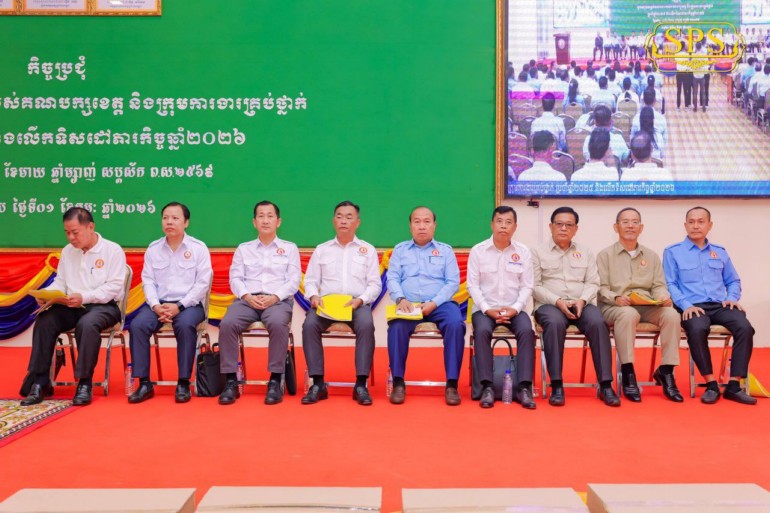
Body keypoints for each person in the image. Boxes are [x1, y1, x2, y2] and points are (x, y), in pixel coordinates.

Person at [20, 207, 126, 407]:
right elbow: (61, 282)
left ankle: (84, 383)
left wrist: (84, 296)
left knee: (87, 324)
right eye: (67, 232)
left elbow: (113, 288)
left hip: (103, 306)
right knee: (45, 319)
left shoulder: (112, 250)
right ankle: (40, 381)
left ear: (90, 227)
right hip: (71, 305)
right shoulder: (68, 251)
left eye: (75, 232)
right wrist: (47, 294)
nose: (71, 238)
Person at [663, 207, 756, 405]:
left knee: (745, 327)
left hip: (719, 305)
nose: (696, 226)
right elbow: (670, 284)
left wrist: (732, 297)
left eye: (701, 221)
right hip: (691, 306)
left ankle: (733, 385)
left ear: (709, 225)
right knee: (697, 329)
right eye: (691, 222)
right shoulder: (673, 252)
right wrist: (685, 305)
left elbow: (733, 280)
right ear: (685, 225)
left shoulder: (720, 252)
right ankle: (711, 384)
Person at [531, 207, 620, 407]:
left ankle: (605, 385)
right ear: (550, 226)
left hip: (581, 302)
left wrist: (582, 301)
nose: (563, 228)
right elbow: (534, 286)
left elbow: (593, 282)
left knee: (598, 323)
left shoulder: (585, 252)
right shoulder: (537, 252)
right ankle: (557, 385)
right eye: (559, 224)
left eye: (569, 225)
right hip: (550, 304)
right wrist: (557, 301)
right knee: (554, 324)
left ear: (576, 229)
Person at [128, 202, 213, 404]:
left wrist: (180, 306)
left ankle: (183, 382)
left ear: (186, 222)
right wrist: (155, 305)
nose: (169, 222)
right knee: (138, 325)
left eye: (175, 218)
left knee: (184, 324)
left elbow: (202, 284)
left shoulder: (198, 248)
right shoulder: (153, 249)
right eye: (165, 218)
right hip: (159, 305)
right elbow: (148, 281)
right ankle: (144, 383)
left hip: (189, 305)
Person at [216, 201, 300, 405]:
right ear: (254, 222)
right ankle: (231, 381)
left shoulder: (289, 248)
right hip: (247, 301)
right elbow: (235, 279)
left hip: (277, 301)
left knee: (278, 323)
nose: (265, 220)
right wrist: (247, 296)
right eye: (261, 216)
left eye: (270, 216)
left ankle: (275, 380)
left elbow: (293, 281)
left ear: (278, 222)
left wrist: (275, 297)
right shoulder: (244, 249)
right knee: (227, 323)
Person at [597, 208, 683, 402]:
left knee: (671, 315)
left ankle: (667, 371)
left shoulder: (651, 256)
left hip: (646, 305)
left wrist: (663, 297)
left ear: (641, 227)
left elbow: (659, 285)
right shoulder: (604, 255)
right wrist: (616, 298)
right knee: (628, 315)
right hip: (616, 306)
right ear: (616, 227)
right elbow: (601, 288)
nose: (630, 226)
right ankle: (628, 373)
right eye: (625, 222)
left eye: (635, 222)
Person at [301, 201, 381, 405]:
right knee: (309, 324)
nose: (343, 221)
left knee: (366, 324)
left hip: (356, 303)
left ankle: (360, 384)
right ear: (333, 221)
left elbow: (374, 284)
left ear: (357, 222)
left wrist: (360, 300)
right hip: (327, 304)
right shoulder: (322, 249)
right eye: (339, 216)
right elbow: (310, 281)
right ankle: (318, 384)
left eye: (349, 217)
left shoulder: (368, 250)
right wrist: (314, 296)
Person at [386, 206, 464, 405]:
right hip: (408, 304)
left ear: (434, 225)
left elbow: (452, 282)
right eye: (417, 221)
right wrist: (400, 299)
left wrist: (434, 303)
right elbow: (392, 278)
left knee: (455, 323)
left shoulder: (445, 251)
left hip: (440, 304)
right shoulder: (400, 250)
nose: (422, 226)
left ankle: (452, 384)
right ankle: (398, 382)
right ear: (410, 225)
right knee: (396, 327)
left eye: (427, 221)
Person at [467, 206, 536, 409]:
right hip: (485, 309)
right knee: (481, 330)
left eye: (508, 222)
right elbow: (473, 285)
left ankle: (524, 387)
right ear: (492, 224)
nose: (503, 226)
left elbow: (527, 286)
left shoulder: (523, 252)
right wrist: (487, 309)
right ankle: (487, 387)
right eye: (499, 221)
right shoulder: (478, 251)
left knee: (527, 331)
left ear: (515, 227)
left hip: (515, 309)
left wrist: (515, 308)